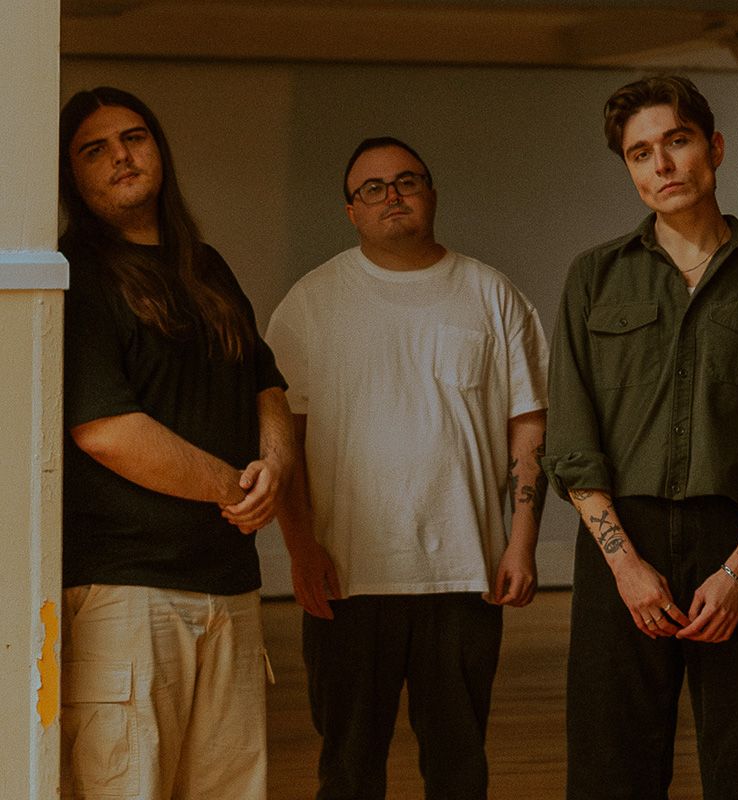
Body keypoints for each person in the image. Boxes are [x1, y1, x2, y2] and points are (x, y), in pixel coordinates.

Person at [542, 75, 738, 800]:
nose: (662, 165)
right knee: (611, 769)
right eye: (640, 153)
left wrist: (737, 574)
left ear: (714, 147)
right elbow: (571, 440)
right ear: (629, 169)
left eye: (677, 141)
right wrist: (624, 566)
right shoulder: (594, 277)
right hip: (621, 544)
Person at [266, 136, 549, 800]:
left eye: (407, 181)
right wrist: (300, 549)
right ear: (351, 211)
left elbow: (528, 423)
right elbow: (283, 440)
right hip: (346, 577)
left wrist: (522, 541)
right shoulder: (311, 302)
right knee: (348, 770)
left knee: (459, 768)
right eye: (372, 188)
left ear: (431, 193)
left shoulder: (491, 293)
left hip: (464, 574)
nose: (391, 195)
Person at [58, 86, 293, 800]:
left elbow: (266, 385)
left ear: (158, 149)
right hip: (128, 592)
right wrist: (236, 489)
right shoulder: (77, 273)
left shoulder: (207, 266)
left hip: (231, 585)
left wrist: (274, 466)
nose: (120, 156)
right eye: (94, 150)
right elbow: (105, 429)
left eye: (133, 138)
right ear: (72, 177)